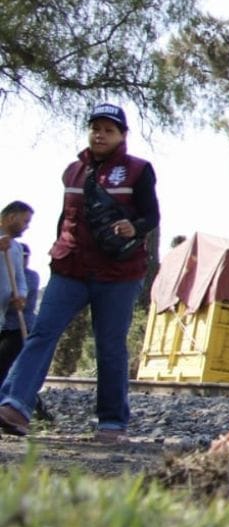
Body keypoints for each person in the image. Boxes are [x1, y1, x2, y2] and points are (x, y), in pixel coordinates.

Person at [0, 104, 158, 441]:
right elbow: (66, 218)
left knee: (110, 345)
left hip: (118, 273)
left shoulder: (139, 170)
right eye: (95, 128)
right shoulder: (73, 171)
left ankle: (112, 423)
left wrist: (134, 227)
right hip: (70, 267)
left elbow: (152, 217)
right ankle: (15, 407)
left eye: (108, 130)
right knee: (42, 332)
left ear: (122, 136)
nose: (100, 134)